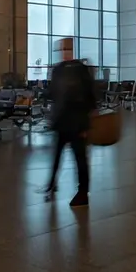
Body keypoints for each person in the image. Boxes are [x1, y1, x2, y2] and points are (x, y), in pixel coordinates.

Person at [40, 38, 96, 208]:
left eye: (67, 49)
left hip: (76, 121)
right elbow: (54, 93)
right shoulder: (59, 70)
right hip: (62, 120)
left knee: (79, 158)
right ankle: (52, 183)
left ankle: (82, 192)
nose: (64, 52)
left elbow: (90, 96)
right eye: (62, 49)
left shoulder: (79, 69)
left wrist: (86, 122)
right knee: (58, 154)